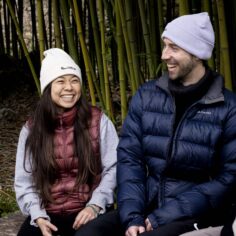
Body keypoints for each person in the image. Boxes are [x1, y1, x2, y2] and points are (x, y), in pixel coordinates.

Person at [72, 12, 236, 236]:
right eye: (164, 46)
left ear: (197, 54)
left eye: (173, 48)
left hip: (196, 213)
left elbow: (228, 178)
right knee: (88, 234)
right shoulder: (147, 96)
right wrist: (132, 216)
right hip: (145, 204)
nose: (164, 55)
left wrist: (163, 215)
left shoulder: (228, 107)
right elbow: (131, 158)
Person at [14, 48, 118, 236]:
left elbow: (114, 168)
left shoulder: (98, 121)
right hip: (48, 213)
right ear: (48, 88)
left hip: (88, 210)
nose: (69, 87)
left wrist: (95, 205)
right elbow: (24, 180)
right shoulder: (32, 129)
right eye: (60, 81)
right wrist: (38, 216)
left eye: (74, 81)